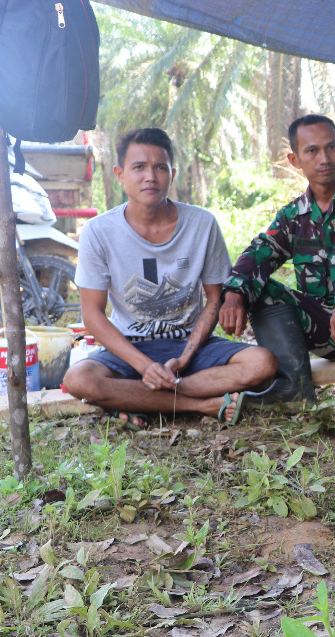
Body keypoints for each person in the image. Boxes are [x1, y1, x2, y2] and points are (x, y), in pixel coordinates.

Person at [63, 128, 277, 427]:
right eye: (139, 167)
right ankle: (200, 405)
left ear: (172, 174)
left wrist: (185, 358)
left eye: (160, 167)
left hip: (191, 346)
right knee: (79, 379)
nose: (150, 177)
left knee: (263, 363)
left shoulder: (202, 224)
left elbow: (214, 300)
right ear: (120, 174)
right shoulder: (99, 232)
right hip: (129, 348)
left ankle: (136, 398)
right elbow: (92, 314)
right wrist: (145, 366)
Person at [220, 114, 335, 414]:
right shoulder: (293, 215)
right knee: (260, 290)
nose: (324, 158)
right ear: (295, 159)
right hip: (327, 332)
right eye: (312, 151)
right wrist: (234, 293)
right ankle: (293, 391)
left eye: (331, 147)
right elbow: (260, 252)